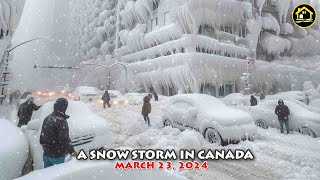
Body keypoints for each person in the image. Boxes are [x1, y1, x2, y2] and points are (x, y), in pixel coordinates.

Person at [40, 98, 77, 168]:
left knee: (47, 174)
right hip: (57, 155)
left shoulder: (48, 118)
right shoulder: (61, 121)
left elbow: (42, 136)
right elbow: (64, 139)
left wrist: (45, 147)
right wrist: (72, 152)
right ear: (64, 107)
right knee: (58, 174)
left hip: (46, 154)